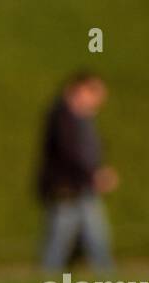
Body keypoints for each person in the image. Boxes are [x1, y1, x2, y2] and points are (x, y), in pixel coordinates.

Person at [37, 71, 119, 270]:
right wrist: (94, 175)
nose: (98, 100)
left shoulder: (81, 118)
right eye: (94, 92)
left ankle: (106, 279)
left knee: (96, 240)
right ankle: (47, 280)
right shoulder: (62, 117)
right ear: (79, 89)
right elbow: (70, 153)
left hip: (82, 188)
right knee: (60, 243)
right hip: (67, 190)